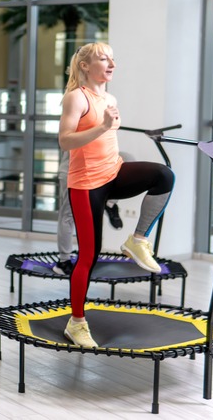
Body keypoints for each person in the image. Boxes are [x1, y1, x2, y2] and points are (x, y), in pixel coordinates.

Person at [58, 42, 174, 348]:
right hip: (86, 185)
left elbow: (107, 137)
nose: (111, 64)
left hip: (113, 171)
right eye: (103, 59)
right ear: (85, 66)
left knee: (163, 175)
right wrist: (103, 126)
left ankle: (137, 240)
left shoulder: (109, 97)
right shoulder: (76, 98)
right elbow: (66, 142)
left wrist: (109, 127)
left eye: (112, 59)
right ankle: (77, 323)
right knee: (89, 255)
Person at [53, 151, 126, 276]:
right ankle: (64, 261)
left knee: (127, 161)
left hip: (95, 173)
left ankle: (110, 204)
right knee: (68, 216)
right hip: (72, 172)